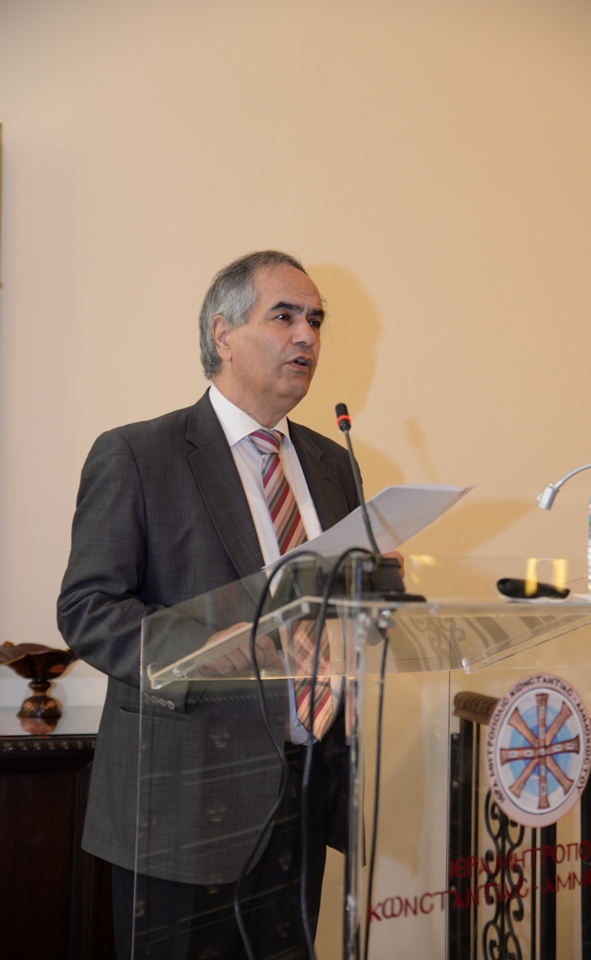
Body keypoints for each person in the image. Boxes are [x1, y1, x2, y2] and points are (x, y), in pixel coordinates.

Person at [57, 251, 363, 960]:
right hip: (184, 803)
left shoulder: (332, 463)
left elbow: (333, 619)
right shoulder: (139, 453)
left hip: (303, 791)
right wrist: (215, 647)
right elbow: (89, 609)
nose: (307, 335)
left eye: (316, 320)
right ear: (223, 334)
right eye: (283, 316)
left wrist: (371, 597)